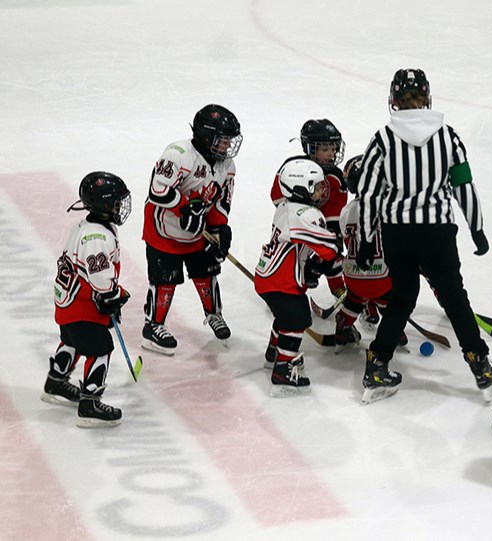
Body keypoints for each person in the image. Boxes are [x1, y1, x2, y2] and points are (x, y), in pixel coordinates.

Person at [355, 68, 492, 404]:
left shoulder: (383, 140)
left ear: (393, 100)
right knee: (453, 297)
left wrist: (365, 239)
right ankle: (480, 365)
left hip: (397, 233)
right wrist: (476, 227)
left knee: (403, 298)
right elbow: (463, 184)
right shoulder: (448, 137)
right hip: (437, 233)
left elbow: (369, 194)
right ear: (428, 98)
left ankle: (378, 364)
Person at [141, 104, 242, 355]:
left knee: (206, 273)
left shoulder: (226, 165)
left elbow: (221, 200)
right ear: (206, 136)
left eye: (229, 141)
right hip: (164, 230)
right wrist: (185, 209)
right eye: (223, 141)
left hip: (198, 231)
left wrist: (219, 227)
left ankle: (213, 314)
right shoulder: (177, 154)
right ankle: (153, 327)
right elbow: (158, 190)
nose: (227, 147)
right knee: (165, 280)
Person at [43, 172, 132, 427]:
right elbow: (100, 279)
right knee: (100, 349)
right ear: (103, 204)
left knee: (71, 341)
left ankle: (56, 382)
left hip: (69, 303)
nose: (119, 206)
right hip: (83, 306)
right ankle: (90, 404)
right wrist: (114, 296)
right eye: (115, 202)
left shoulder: (85, 227)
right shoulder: (97, 237)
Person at [255, 159, 341, 396]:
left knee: (283, 316)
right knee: (296, 320)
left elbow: (304, 246)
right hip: (281, 282)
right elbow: (328, 248)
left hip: (268, 276)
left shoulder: (285, 205)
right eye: (316, 186)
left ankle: (273, 352)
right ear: (299, 189)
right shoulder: (304, 213)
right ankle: (283, 369)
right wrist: (333, 251)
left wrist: (313, 265)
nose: (322, 191)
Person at [269, 119, 348, 300]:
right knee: (292, 260)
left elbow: (337, 210)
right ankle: (281, 290)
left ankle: (338, 288)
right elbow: (276, 197)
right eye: (325, 149)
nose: (332, 154)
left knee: (332, 254)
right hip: (294, 225)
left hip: (321, 226)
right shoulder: (292, 168)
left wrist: (332, 236)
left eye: (333, 148)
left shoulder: (335, 177)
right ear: (310, 148)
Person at [335, 154, 407, 352]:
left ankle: (343, 327)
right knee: (390, 299)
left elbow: (348, 239)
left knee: (355, 298)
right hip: (383, 278)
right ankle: (396, 331)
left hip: (352, 275)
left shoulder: (347, 210)